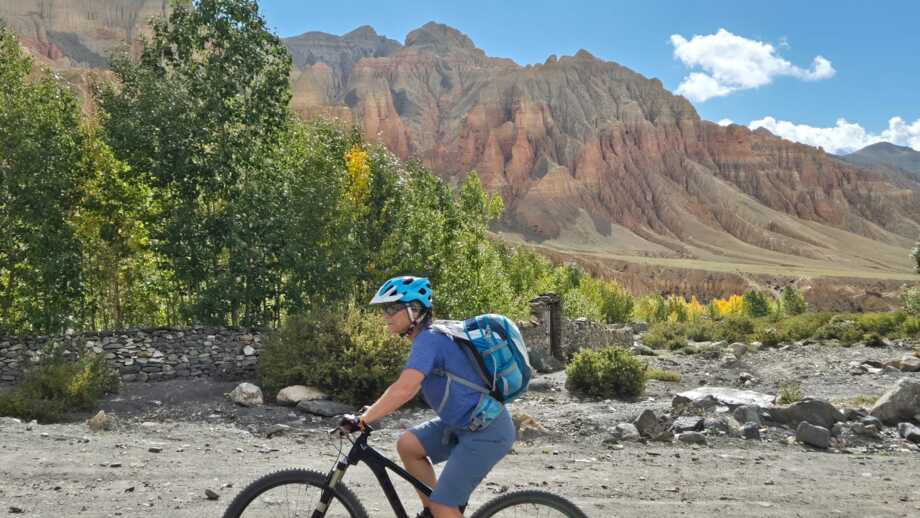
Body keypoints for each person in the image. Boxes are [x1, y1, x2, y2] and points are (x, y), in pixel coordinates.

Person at [357, 276, 516, 518]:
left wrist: (364, 419)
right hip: (462, 424)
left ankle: (441, 510)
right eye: (384, 309)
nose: (385, 316)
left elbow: (405, 389)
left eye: (391, 308)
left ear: (414, 310)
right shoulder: (431, 337)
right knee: (408, 445)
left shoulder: (429, 340)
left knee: (444, 505)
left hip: (486, 431)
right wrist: (373, 410)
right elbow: (405, 388)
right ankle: (434, 513)